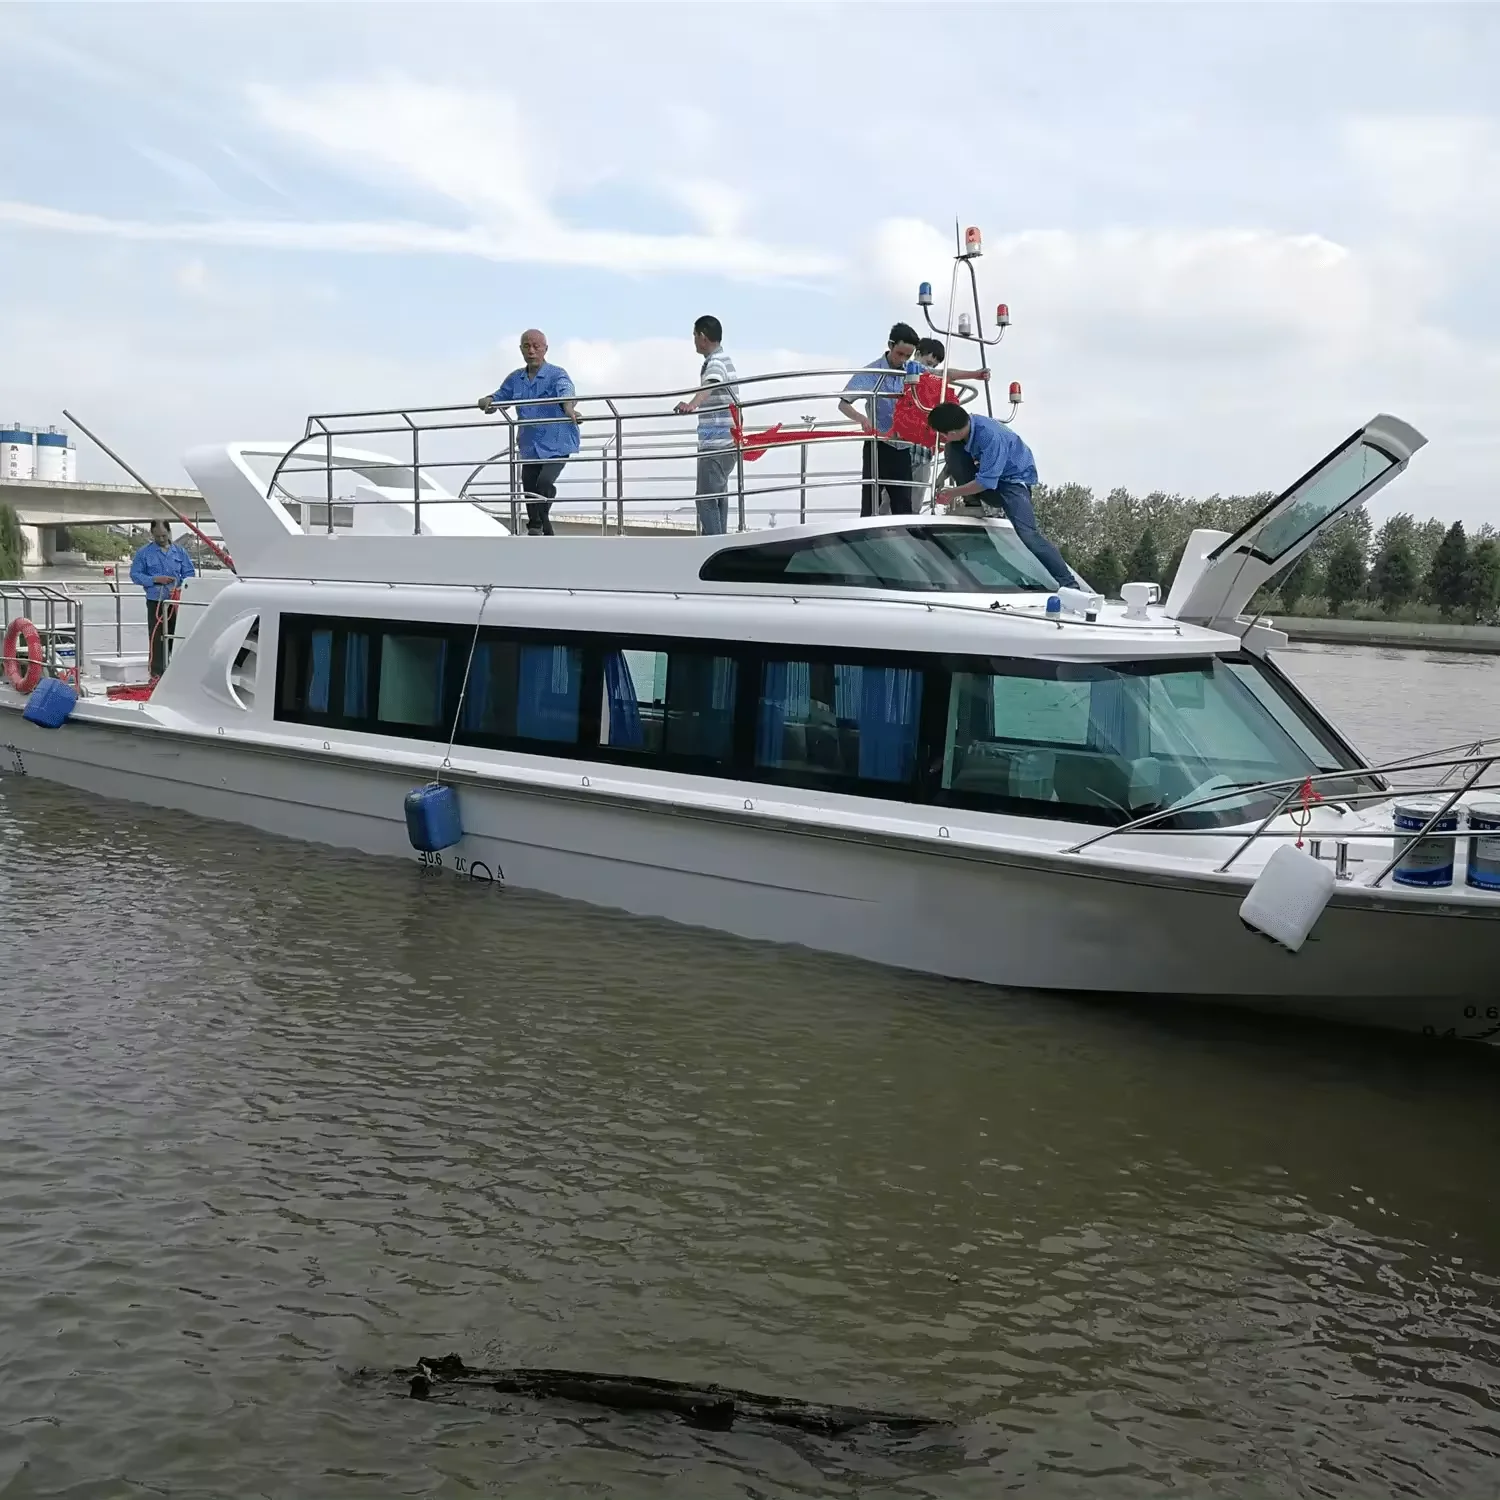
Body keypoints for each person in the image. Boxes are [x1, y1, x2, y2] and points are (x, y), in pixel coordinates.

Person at [927, 403, 1077, 588]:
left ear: (952, 431)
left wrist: (952, 493)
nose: (943, 438)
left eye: (943, 434)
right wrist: (941, 478)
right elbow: (958, 460)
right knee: (952, 448)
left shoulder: (990, 436)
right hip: (990, 478)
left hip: (1013, 484)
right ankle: (972, 504)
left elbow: (984, 483)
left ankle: (1069, 583)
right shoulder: (967, 428)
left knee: (1028, 534)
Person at [479, 330, 582, 536]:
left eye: (536, 346)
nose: (531, 351)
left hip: (556, 442)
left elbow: (566, 391)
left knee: (544, 483)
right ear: (521, 350)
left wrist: (569, 407)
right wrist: (488, 401)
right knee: (528, 485)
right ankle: (536, 527)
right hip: (530, 444)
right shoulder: (516, 378)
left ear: (545, 349)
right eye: (527, 346)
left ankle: (541, 526)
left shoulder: (556, 374)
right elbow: (501, 396)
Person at [893, 338, 990, 505]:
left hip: (923, 449)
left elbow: (943, 376)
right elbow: (946, 374)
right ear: (917, 354)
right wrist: (974, 374)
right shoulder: (909, 369)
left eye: (934, 365)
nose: (931, 368)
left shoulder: (931, 383)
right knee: (893, 495)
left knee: (915, 498)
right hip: (902, 445)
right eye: (929, 363)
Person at [838, 322, 921, 517]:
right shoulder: (871, 372)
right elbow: (843, 403)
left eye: (908, 356)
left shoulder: (912, 370)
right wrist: (861, 418)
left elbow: (940, 376)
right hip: (878, 445)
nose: (902, 359)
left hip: (902, 446)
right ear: (890, 345)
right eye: (899, 353)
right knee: (871, 503)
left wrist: (974, 375)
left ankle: (905, 535)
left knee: (904, 505)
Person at [674, 315, 740, 535]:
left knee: (705, 499)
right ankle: (718, 541)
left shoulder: (716, 362)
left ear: (703, 337)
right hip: (726, 442)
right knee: (717, 497)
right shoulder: (723, 359)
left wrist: (692, 404)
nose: (693, 340)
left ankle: (715, 543)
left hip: (716, 444)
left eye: (694, 335)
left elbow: (711, 384)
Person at [129, 519, 196, 677]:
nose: (161, 539)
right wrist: (154, 579)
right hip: (156, 601)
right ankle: (156, 674)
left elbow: (190, 574)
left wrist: (180, 586)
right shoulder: (144, 553)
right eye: (157, 536)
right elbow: (135, 575)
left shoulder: (180, 552)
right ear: (152, 534)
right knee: (156, 637)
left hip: (176, 601)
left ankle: (176, 672)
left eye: (164, 536)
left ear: (169, 532)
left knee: (176, 636)